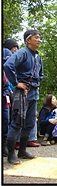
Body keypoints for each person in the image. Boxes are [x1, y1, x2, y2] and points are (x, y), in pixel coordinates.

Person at [3, 29, 43, 164]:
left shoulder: (38, 56)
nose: (39, 40)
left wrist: (37, 82)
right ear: (28, 40)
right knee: (17, 123)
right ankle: (11, 155)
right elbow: (7, 66)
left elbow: (40, 73)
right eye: (36, 38)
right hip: (22, 92)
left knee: (30, 122)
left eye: (39, 38)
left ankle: (23, 151)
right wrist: (16, 83)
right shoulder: (22, 53)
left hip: (34, 92)